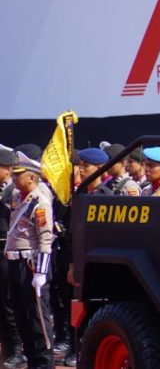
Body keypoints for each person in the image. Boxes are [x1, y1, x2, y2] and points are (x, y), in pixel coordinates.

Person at [4, 156, 53, 369]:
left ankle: (44, 364)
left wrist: (41, 273)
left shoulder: (39, 201)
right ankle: (32, 362)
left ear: (32, 177)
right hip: (15, 263)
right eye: (13, 174)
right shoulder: (20, 197)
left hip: (31, 265)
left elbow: (45, 238)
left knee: (37, 320)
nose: (14, 178)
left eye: (18, 175)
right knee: (21, 317)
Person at [0, 150, 22, 369]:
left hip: (8, 250)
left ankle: (18, 348)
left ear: (7, 168)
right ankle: (7, 346)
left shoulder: (14, 192)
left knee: (9, 301)